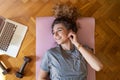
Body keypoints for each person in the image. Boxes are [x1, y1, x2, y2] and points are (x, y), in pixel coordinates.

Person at [38, 16, 103, 80]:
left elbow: (98, 67)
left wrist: (77, 44)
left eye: (59, 30)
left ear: (70, 31)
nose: (55, 35)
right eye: (53, 32)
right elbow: (41, 78)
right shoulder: (51, 54)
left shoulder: (83, 50)